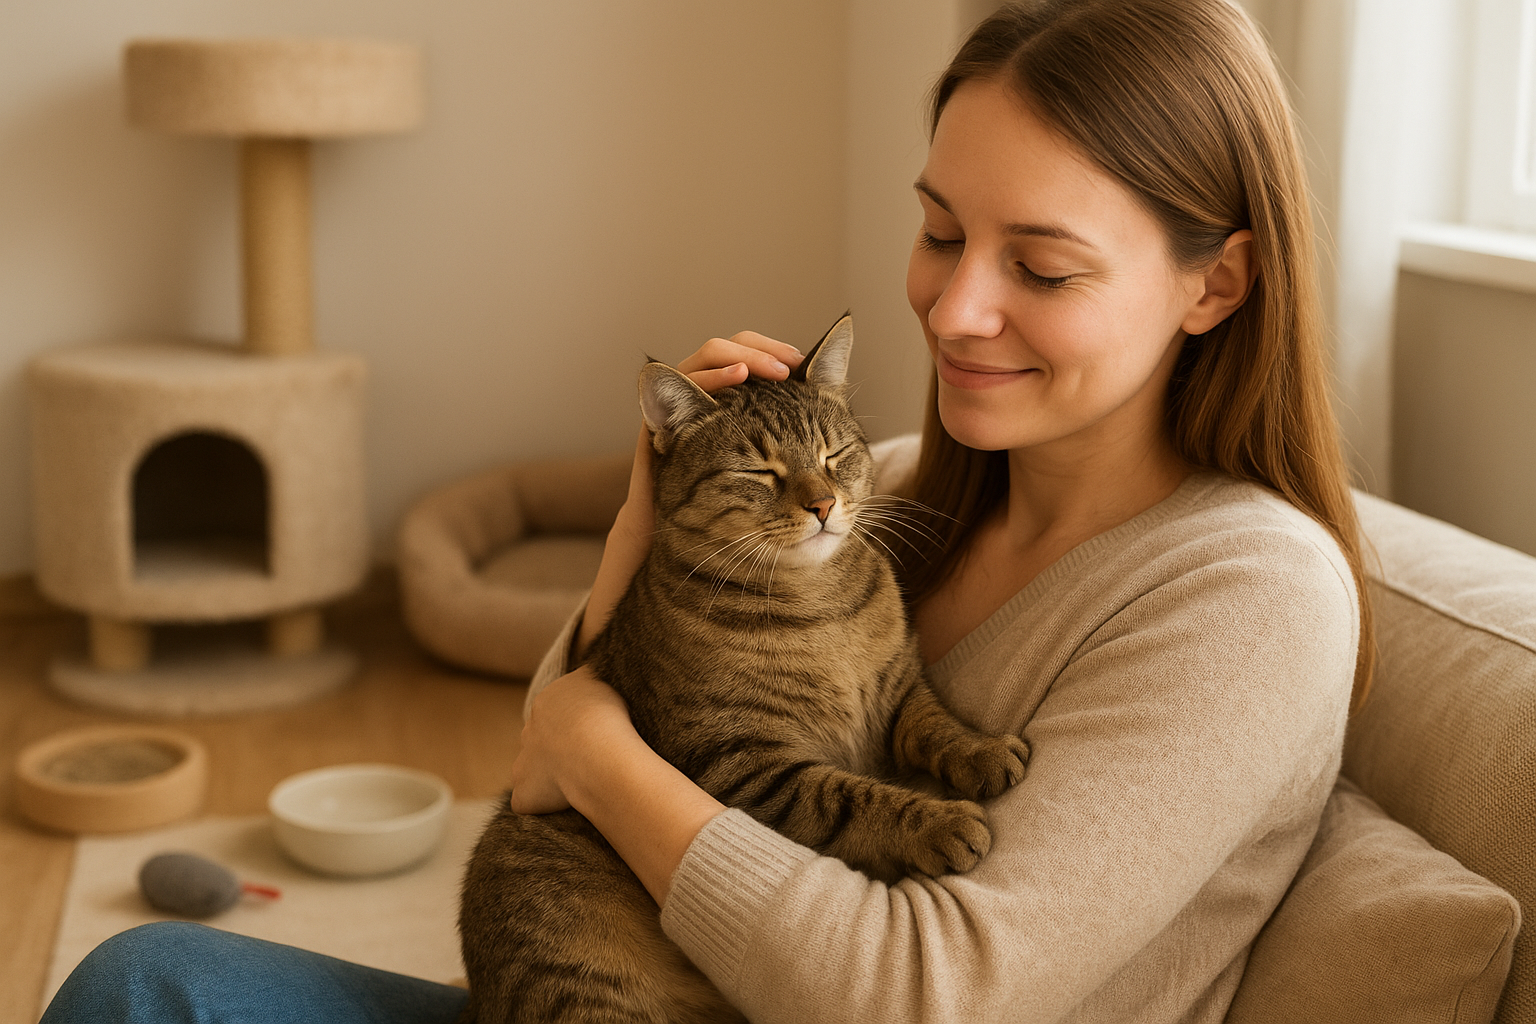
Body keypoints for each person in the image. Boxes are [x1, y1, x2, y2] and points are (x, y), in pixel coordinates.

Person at [41, 0, 1370, 1021]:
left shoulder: (1250, 595)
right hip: (668, 985)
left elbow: (916, 989)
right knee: (148, 981)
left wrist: (592, 746)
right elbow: (545, 767)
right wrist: (645, 518)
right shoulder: (898, 485)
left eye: (1045, 265)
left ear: (1216, 285)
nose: (954, 309)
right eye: (942, 232)